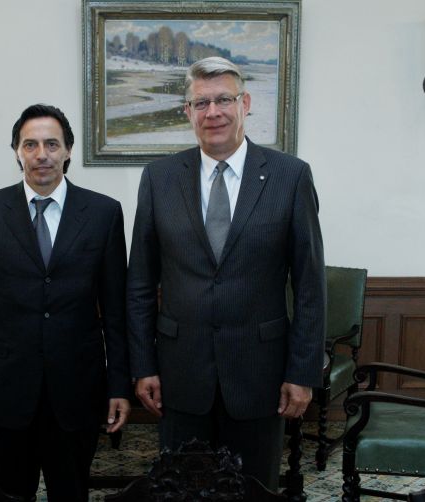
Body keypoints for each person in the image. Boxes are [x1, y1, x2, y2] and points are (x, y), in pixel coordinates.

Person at [126, 57, 326, 490]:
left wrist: (302, 372)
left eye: (223, 100)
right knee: (180, 491)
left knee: (253, 490)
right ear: (187, 112)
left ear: (245, 103)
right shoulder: (159, 178)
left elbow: (310, 285)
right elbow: (140, 282)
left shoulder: (290, 176)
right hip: (180, 374)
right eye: (201, 103)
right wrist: (143, 365)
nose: (212, 112)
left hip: (259, 375)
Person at [0, 104, 131, 501]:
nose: (41, 154)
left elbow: (116, 312)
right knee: (9, 494)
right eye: (30, 144)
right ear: (17, 151)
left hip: (78, 387)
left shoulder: (103, 213)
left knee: (71, 493)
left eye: (51, 144)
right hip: (10, 386)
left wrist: (119, 386)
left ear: (68, 150)